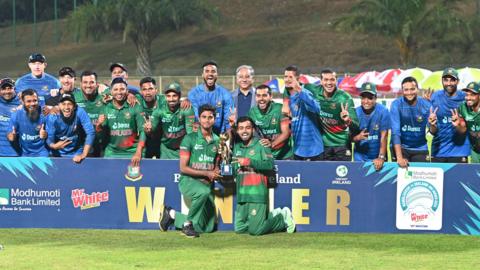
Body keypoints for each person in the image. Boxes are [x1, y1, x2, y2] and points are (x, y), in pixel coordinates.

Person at [158, 104, 222, 238]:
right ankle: (187, 225)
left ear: (214, 119)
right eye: (204, 117)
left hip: (205, 183)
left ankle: (171, 215)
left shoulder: (218, 140)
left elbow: (216, 160)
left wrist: (216, 168)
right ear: (199, 118)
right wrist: (207, 173)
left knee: (208, 227)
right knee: (203, 192)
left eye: (210, 117)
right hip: (188, 181)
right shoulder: (189, 138)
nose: (207, 120)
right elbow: (183, 168)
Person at [232, 116, 295, 235]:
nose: (244, 131)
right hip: (242, 194)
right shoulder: (237, 147)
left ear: (253, 129)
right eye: (241, 128)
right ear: (237, 130)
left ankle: (281, 218)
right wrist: (230, 167)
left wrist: (249, 162)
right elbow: (235, 168)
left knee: (256, 231)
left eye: (247, 128)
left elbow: (270, 164)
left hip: (257, 193)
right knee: (239, 229)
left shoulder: (262, 144)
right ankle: (269, 216)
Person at [305, 69, 359, 161]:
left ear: (336, 81)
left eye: (332, 79)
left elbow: (356, 126)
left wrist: (347, 120)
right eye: (326, 80)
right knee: (324, 175)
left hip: (342, 145)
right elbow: (293, 86)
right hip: (323, 145)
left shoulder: (345, 98)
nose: (329, 83)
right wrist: (287, 104)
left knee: (343, 175)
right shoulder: (313, 90)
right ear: (321, 81)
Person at [96, 77, 145, 166]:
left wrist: (138, 152)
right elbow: (101, 135)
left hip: (133, 152)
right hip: (112, 152)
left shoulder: (135, 105)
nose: (119, 92)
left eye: (122, 89)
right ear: (111, 91)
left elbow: (143, 131)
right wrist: (98, 126)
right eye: (116, 89)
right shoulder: (106, 107)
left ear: (127, 91)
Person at [429, 68, 470, 163]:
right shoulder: (435, 97)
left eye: (452, 80)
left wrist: (458, 124)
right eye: (446, 80)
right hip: (438, 151)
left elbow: (464, 129)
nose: (449, 83)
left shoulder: (465, 97)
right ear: (442, 81)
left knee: (459, 178)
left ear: (458, 81)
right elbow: (433, 132)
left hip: (459, 151)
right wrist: (432, 125)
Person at [144, 82, 195, 159]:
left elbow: (190, 133)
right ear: (165, 97)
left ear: (179, 96)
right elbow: (151, 131)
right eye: (168, 96)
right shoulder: (159, 111)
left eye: (174, 96)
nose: (171, 99)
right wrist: (148, 130)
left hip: (182, 148)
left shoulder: (186, 109)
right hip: (166, 149)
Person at [283, 65, 323, 160]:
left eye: (290, 77)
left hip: (313, 151)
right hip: (298, 150)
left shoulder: (304, 92)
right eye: (285, 76)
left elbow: (317, 108)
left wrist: (300, 90)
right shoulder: (289, 98)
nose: (287, 79)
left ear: (298, 78)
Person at [390, 77, 431, 168]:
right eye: (406, 90)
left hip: (420, 147)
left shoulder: (426, 105)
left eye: (412, 89)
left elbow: (433, 131)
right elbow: (395, 132)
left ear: (417, 89)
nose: (409, 92)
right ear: (402, 90)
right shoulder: (396, 104)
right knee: (398, 179)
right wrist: (399, 158)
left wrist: (433, 124)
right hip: (401, 148)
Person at [45, 94, 95, 163]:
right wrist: (54, 146)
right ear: (59, 105)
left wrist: (83, 154)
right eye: (63, 104)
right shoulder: (53, 117)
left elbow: (90, 132)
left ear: (74, 106)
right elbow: (49, 138)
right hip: (56, 153)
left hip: (76, 152)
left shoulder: (80, 112)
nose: (66, 107)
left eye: (69, 104)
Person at [188, 60, 234, 134]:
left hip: (219, 136)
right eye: (207, 71)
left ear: (217, 74)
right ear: (202, 75)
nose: (210, 74)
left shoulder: (225, 94)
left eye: (213, 71)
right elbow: (195, 116)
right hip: (200, 135)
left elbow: (228, 121)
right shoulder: (194, 93)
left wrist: (226, 140)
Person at [248, 84, 293, 160]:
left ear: (271, 96)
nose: (261, 99)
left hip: (285, 155)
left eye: (264, 95)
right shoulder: (252, 113)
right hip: (267, 156)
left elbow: (286, 133)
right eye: (258, 96)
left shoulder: (280, 109)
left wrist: (272, 144)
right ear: (255, 97)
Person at [353, 83, 390, 171]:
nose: (366, 101)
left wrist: (381, 157)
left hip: (377, 156)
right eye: (363, 98)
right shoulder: (355, 112)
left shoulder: (383, 111)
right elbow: (350, 138)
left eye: (370, 98)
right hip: (360, 157)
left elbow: (384, 137)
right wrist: (358, 137)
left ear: (375, 98)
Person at [73, 70, 107, 157]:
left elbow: (119, 92)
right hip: (81, 145)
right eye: (85, 82)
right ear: (80, 84)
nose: (88, 85)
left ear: (97, 84)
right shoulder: (74, 97)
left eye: (92, 82)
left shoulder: (104, 96)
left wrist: (130, 95)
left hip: (102, 145)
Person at [7, 89, 48, 157]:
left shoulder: (45, 113)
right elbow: (10, 135)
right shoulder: (16, 114)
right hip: (24, 153)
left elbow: (50, 134)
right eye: (28, 101)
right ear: (22, 102)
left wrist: (45, 135)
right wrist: (12, 136)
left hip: (42, 152)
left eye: (35, 100)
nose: (32, 104)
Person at [137, 76, 167, 158]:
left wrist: (186, 101)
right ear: (141, 91)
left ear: (156, 90)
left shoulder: (164, 100)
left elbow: (177, 101)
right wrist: (129, 95)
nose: (148, 92)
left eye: (150, 89)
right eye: (144, 89)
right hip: (145, 140)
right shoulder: (136, 100)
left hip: (162, 139)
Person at [453, 82, 480, 163]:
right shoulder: (463, 107)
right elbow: (463, 130)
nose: (468, 98)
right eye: (467, 95)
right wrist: (457, 125)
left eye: (472, 95)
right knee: (476, 173)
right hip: (475, 148)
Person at [0, 78, 21, 156]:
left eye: (10, 88)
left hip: (16, 153)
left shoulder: (22, 103)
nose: (7, 91)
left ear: (14, 89)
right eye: (3, 89)